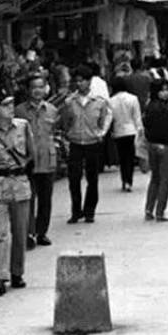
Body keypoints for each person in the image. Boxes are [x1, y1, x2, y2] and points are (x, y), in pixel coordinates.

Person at [0, 89, 35, 297]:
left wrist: (20, 172)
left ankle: (17, 272)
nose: (11, 108)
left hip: (19, 183)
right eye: (5, 105)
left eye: (11, 104)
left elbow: (31, 154)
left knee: (20, 232)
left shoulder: (23, 126)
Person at [58, 64, 112, 224]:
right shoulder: (70, 102)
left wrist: (100, 133)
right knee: (74, 178)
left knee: (92, 178)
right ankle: (76, 211)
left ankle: (90, 211)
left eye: (82, 81)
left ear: (89, 82)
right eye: (77, 81)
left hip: (92, 142)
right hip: (75, 142)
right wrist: (68, 134)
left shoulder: (99, 102)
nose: (79, 84)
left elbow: (104, 119)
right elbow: (65, 122)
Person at [15, 74, 58, 249]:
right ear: (28, 90)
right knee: (28, 199)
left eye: (41, 86)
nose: (38, 90)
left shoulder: (52, 110)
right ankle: (29, 233)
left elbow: (55, 132)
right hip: (27, 161)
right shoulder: (19, 111)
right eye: (34, 87)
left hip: (47, 160)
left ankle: (42, 232)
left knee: (46, 199)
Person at [143, 79, 168, 221]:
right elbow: (166, 131)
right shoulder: (163, 109)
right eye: (162, 90)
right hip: (165, 146)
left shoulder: (149, 106)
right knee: (165, 180)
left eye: (167, 90)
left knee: (155, 179)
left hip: (152, 145)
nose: (166, 93)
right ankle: (160, 212)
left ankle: (149, 209)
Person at [109, 76, 143, 192]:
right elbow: (137, 117)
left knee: (122, 158)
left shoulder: (111, 100)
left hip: (119, 131)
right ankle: (129, 180)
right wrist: (140, 130)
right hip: (131, 130)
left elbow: (110, 118)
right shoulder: (133, 98)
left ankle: (124, 180)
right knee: (130, 157)